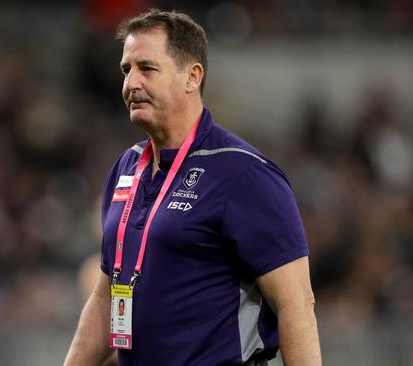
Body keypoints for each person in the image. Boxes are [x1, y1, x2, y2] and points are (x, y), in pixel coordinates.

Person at [62, 9, 321, 366]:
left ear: (192, 76)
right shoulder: (125, 169)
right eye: (127, 70)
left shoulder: (243, 173)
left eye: (147, 69)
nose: (131, 83)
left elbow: (296, 303)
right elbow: (107, 297)